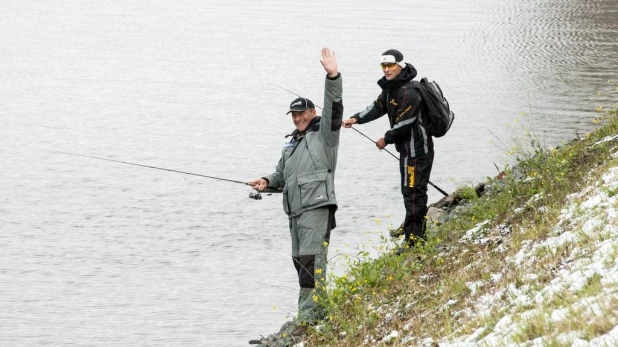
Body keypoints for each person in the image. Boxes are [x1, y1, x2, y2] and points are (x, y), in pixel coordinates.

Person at [249, 47, 343, 336]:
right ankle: (312, 312)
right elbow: (281, 174)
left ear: (313, 113)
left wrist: (333, 77)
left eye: (301, 113)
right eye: (293, 114)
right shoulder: (290, 144)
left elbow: (335, 105)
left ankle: (312, 317)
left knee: (312, 262)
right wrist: (266, 180)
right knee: (302, 263)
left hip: (316, 208)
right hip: (295, 212)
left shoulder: (325, 134)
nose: (297, 118)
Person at [342, 49, 433, 255]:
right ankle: (413, 230)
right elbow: (377, 107)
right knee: (409, 191)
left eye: (390, 65)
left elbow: (405, 124)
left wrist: (386, 139)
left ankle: (415, 241)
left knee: (414, 193)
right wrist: (355, 119)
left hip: (417, 152)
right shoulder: (391, 89)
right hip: (407, 152)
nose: (386, 69)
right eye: (383, 66)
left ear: (400, 66)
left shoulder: (409, 92)